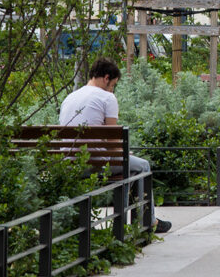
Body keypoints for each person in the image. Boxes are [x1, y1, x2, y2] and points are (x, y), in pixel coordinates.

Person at [58, 58, 171, 233]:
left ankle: (144, 220)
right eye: (113, 85)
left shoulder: (70, 97)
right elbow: (113, 140)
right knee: (143, 166)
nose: (112, 89)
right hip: (97, 165)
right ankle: (148, 222)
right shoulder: (107, 97)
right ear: (106, 78)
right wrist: (124, 152)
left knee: (131, 167)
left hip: (69, 164)